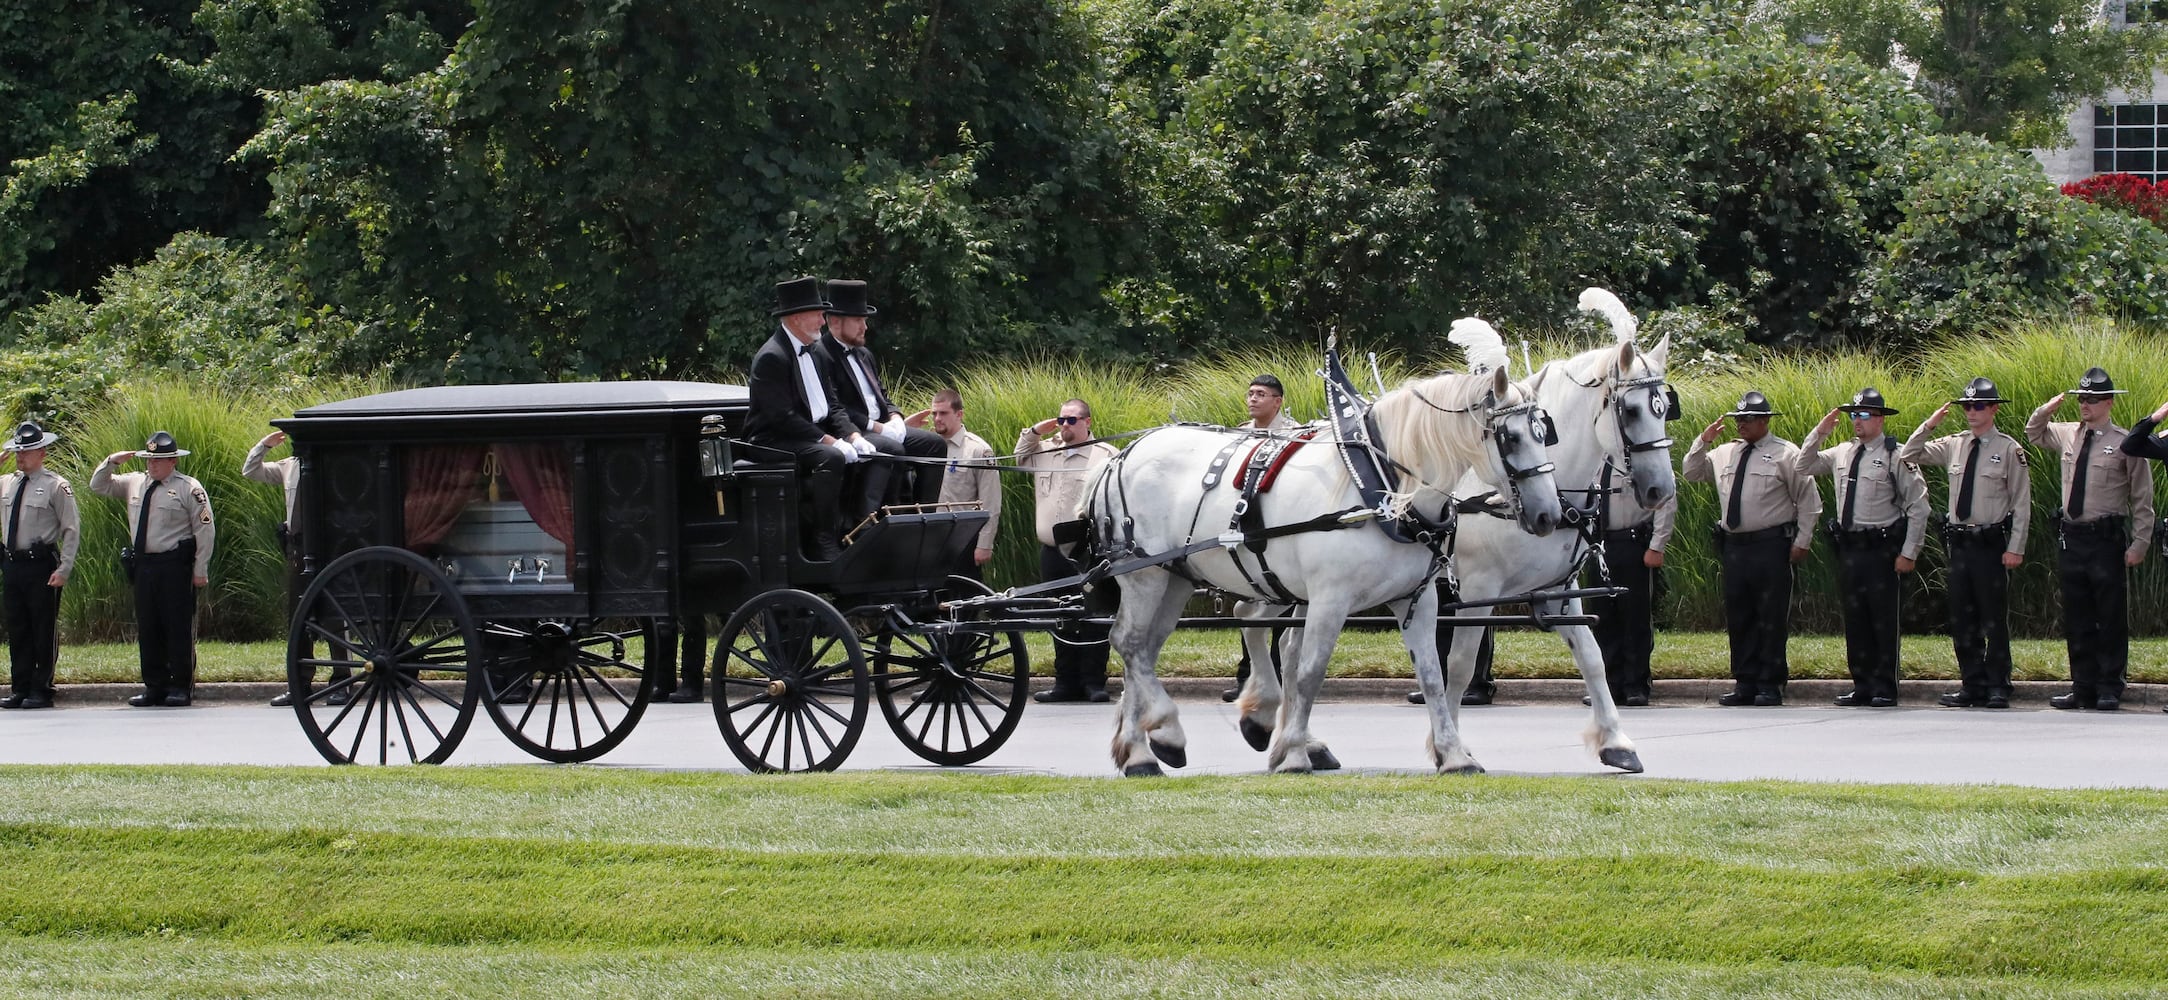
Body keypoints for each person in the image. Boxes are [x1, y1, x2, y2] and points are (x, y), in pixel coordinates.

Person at [2026, 367, 2153, 712]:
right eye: (2081, 398)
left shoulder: (2126, 442)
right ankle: (2082, 686)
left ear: (2108, 402)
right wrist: (2047, 409)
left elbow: (2142, 498)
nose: (2085, 404)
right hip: (2072, 537)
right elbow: (2034, 434)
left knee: (2110, 615)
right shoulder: (2068, 434)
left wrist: (2140, 542)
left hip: (2105, 539)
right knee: (2078, 615)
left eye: (2092, 399)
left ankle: (2110, 685)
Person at [1682, 391, 1818, 706]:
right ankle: (1745, 681)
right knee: (1739, 615)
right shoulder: (1724, 453)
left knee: (1770, 615)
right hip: (1735, 546)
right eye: (1738, 419)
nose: (1741, 424)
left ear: (1766, 421)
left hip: (1771, 545)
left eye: (1748, 419)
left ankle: (1770, 683)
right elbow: (1691, 471)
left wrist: (1803, 540)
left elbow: (1809, 502)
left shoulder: (1787, 454)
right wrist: (1702, 441)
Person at [1901, 377, 2030, 709]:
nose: (1972, 412)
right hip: (1959, 543)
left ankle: (1999, 684)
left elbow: (2022, 502)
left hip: (1990, 542)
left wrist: (2016, 546)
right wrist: (1930, 424)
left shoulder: (2007, 448)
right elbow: (1910, 453)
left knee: (1993, 617)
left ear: (1994, 409)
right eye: (1967, 406)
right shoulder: (1954, 443)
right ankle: (1972, 683)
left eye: (1979, 406)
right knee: (1962, 617)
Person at [1796, 388, 1928, 708]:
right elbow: (1804, 464)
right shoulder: (1843, 452)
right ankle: (1862, 683)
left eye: (1865, 414)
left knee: (1882, 619)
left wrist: (1909, 552)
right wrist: (1821, 431)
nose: (1858, 420)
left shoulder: (1896, 456)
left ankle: (1885, 685)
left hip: (1882, 549)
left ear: (1880, 419)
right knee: (1855, 620)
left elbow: (1919, 507)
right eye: (1854, 414)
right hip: (1850, 548)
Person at [744, 276, 879, 560]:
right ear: (796, 318)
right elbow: (782, 417)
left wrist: (852, 436)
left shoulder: (816, 351)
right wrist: (830, 440)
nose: (822, 320)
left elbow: (832, 404)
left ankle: (857, 527)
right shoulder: (772, 357)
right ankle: (822, 539)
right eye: (817, 314)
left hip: (808, 433)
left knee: (876, 450)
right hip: (773, 440)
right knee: (830, 456)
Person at [91, 431, 214, 707]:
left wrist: (200, 567)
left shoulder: (188, 488)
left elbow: (205, 530)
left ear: (172, 461)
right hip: (144, 566)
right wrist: (111, 461)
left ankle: (180, 685)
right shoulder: (135, 483)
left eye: (157, 460)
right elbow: (99, 486)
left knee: (177, 626)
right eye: (148, 460)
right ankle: (155, 685)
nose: (151, 465)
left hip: (174, 565)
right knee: (149, 627)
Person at [1018, 398, 1120, 703]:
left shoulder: (1104, 455)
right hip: (1052, 550)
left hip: (1089, 552)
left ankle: (1093, 682)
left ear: (1088, 422)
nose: (1065, 425)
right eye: (1062, 419)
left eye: (1072, 420)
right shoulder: (1046, 451)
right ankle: (1065, 682)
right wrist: (1036, 430)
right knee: (1060, 616)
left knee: (1094, 616)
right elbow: (1021, 455)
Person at [819, 279, 945, 509]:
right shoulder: (822, 355)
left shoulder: (864, 354)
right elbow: (836, 408)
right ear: (835, 321)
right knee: (892, 449)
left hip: (882, 427)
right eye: (858, 320)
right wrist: (879, 428)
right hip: (853, 432)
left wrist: (896, 418)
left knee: (934, 445)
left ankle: (922, 511)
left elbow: (882, 396)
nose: (864, 327)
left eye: (864, 321)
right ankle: (881, 517)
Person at [248, 429, 351, 708]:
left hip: (328, 545)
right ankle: (300, 683)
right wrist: (264, 445)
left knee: (333, 617)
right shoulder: (289, 466)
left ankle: (342, 681)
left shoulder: (331, 463)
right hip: (299, 547)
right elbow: (251, 471)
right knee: (298, 618)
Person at [1225, 374, 1301, 703]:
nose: (1253, 399)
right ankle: (1249, 677)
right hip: (1247, 524)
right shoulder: (1238, 435)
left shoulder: (1295, 435)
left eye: (1261, 394)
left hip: (1281, 527)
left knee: (1283, 607)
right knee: (1249, 601)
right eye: (1251, 392)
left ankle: (1279, 677)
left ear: (1278, 401)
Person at [0, 422, 78, 710]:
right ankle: (19, 687)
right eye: (18, 451)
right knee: (18, 628)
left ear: (42, 452)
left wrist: (64, 568)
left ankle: (41, 687)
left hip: (41, 564)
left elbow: (71, 529)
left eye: (28, 451)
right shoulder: (7, 482)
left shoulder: (55, 486)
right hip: (12, 563)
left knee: (42, 628)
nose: (21, 457)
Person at [1588, 474, 1676, 707]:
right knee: (1602, 618)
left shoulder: (1640, 460)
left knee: (1635, 617)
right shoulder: (1596, 459)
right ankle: (1609, 685)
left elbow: (1665, 500)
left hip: (1633, 544)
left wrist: (1657, 545)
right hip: (1599, 546)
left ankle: (1636, 685)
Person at [908, 387, 1001, 578]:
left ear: (959, 414)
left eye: (943, 413)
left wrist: (985, 544)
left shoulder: (977, 450)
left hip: (961, 538)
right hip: (927, 538)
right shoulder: (924, 446)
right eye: (934, 413)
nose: (937, 418)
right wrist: (905, 427)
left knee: (963, 598)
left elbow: (990, 500)